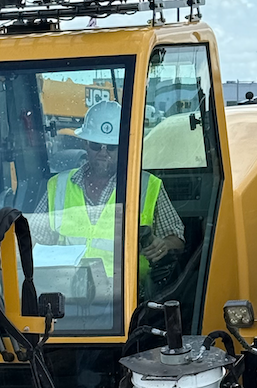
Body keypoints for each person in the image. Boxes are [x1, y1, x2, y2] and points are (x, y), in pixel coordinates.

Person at [30, 100, 184, 277]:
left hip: (127, 294)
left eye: (111, 147)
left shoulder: (147, 185)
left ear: (124, 147)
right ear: (85, 144)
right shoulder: (58, 185)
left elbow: (177, 239)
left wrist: (164, 245)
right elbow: (33, 238)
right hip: (66, 290)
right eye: (96, 145)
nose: (103, 153)